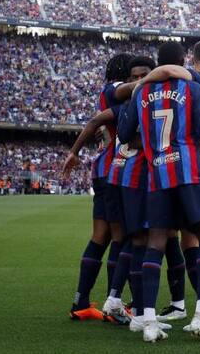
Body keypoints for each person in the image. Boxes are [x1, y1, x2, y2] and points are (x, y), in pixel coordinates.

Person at [117, 42, 200, 342]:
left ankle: (149, 321)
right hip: (189, 171)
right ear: (184, 61)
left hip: (158, 174)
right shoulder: (190, 86)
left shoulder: (140, 91)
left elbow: (124, 134)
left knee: (155, 243)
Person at [67, 53, 133, 321]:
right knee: (122, 238)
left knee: (101, 237)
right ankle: (112, 304)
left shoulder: (107, 93)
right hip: (115, 169)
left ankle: (81, 301)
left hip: (103, 169)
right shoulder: (117, 89)